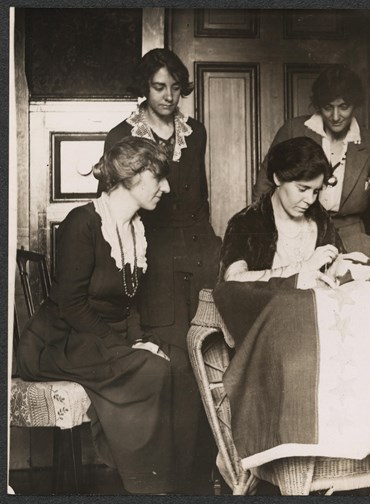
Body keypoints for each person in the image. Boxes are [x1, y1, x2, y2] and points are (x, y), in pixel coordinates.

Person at [18, 137, 175, 494]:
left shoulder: (136, 229)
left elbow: (129, 302)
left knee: (169, 359)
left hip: (95, 338)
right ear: (130, 176)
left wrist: (137, 341)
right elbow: (71, 305)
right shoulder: (84, 223)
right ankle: (144, 485)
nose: (166, 188)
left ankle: (154, 484)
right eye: (158, 178)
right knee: (153, 368)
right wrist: (125, 351)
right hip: (57, 342)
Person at [102, 48, 219, 493]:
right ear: (144, 88)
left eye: (174, 86)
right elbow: (114, 208)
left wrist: (213, 253)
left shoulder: (197, 132)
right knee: (172, 362)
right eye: (158, 86)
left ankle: (203, 475)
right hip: (152, 260)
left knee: (206, 355)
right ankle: (166, 480)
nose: (169, 96)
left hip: (198, 254)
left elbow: (202, 199)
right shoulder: (122, 134)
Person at [252, 64, 370, 256]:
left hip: (353, 239)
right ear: (319, 105)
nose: (336, 117)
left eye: (344, 107)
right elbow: (265, 184)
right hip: (297, 232)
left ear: (355, 105)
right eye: (328, 107)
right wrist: (264, 234)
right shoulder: (294, 130)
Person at [220, 136, 342, 287]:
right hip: (266, 310)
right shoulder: (246, 222)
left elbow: (341, 266)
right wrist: (303, 269)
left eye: (316, 191)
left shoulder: (320, 219)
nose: (310, 200)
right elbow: (233, 280)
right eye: (302, 189)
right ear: (277, 178)